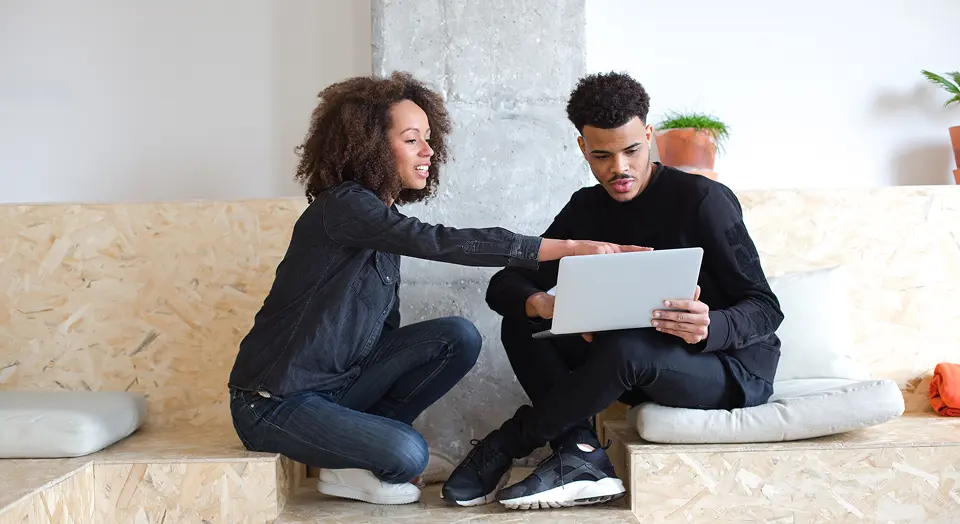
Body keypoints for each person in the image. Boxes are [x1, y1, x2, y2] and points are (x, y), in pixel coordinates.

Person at [226, 72, 645, 506]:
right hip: (273, 402)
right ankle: (363, 458)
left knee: (457, 336)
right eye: (412, 140)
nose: (428, 152)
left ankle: (357, 453)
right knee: (409, 453)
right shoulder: (344, 207)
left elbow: (383, 336)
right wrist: (570, 249)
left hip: (339, 391)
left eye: (428, 138)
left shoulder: (380, 225)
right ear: (369, 145)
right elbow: (442, 241)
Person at [441, 71, 784, 510]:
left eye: (632, 151)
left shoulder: (703, 201)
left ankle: (507, 443)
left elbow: (765, 308)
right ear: (582, 148)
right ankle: (582, 452)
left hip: (728, 369)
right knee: (523, 322)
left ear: (649, 135)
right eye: (602, 155)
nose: (619, 168)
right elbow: (505, 284)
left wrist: (710, 326)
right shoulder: (585, 208)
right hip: (630, 364)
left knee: (628, 350)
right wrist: (544, 305)